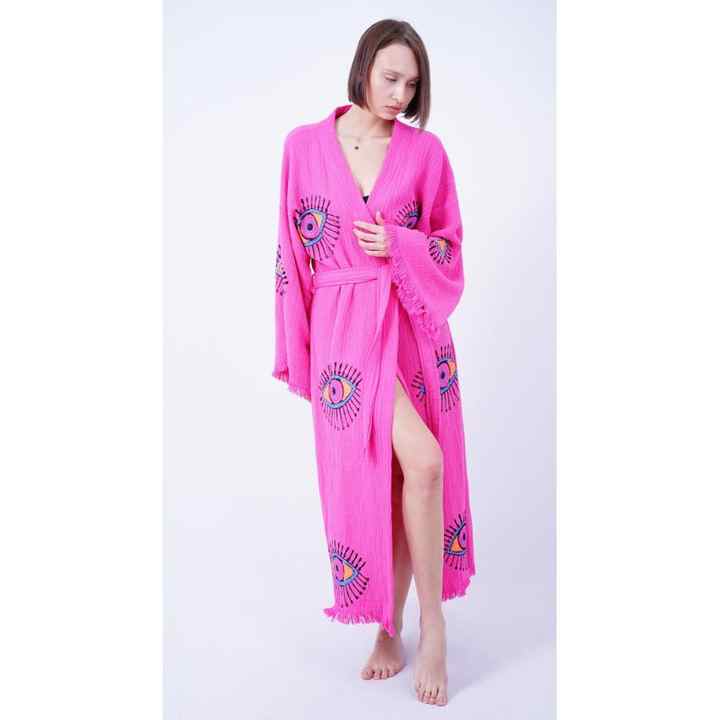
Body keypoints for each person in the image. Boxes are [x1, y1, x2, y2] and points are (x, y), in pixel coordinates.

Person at [273, 18, 475, 707]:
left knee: (419, 468)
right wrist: (297, 349)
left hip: (410, 326)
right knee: (393, 475)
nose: (399, 95)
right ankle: (390, 627)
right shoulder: (303, 146)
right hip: (343, 333)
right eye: (390, 77)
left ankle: (428, 625)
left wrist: (399, 244)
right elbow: (289, 254)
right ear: (363, 66)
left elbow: (449, 245)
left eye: (412, 85)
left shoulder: (425, 153)